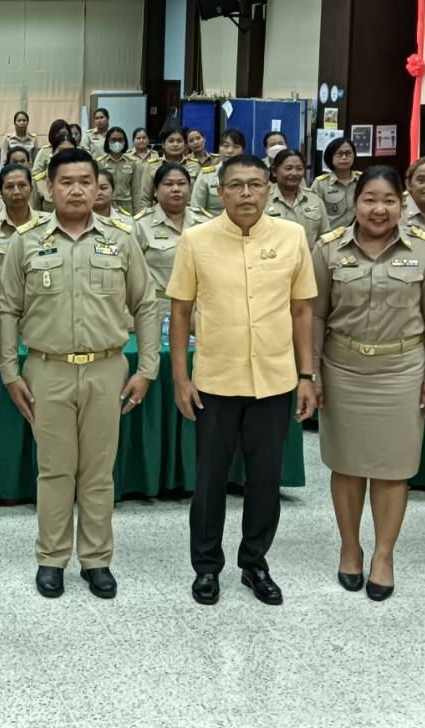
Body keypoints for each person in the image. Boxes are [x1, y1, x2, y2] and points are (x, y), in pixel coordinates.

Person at [0, 148, 160, 600]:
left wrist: (147, 368)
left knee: (98, 472)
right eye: (66, 182)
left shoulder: (121, 239)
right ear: (49, 188)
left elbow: (146, 304)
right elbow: (6, 308)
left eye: (85, 182)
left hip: (108, 370)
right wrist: (9, 370)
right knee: (54, 470)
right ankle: (51, 559)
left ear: (97, 187)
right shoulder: (26, 242)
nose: (76, 190)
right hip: (46, 370)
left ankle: (96, 560)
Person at [168, 153, 319, 607]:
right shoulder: (196, 240)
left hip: (274, 381)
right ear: (220, 192)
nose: (246, 194)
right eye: (235, 185)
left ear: (268, 189)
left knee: (265, 480)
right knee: (210, 480)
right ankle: (206, 567)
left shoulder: (292, 236)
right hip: (215, 382)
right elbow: (180, 311)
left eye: (255, 184)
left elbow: (301, 311)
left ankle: (255, 562)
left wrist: (306, 375)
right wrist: (180, 378)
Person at [310, 167, 425, 601]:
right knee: (347, 465)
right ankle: (350, 548)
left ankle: (384, 555)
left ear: (401, 203)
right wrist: (311, 374)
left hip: (402, 371)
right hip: (343, 368)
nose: (378, 209)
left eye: (389, 200)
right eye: (369, 199)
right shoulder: (329, 249)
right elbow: (314, 315)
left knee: (394, 469)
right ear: (355, 202)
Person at [134, 163, 210, 290]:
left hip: (199, 299)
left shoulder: (205, 223)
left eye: (182, 183)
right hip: (159, 300)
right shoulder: (140, 225)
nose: (176, 189)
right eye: (168, 184)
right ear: (155, 191)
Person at [0, 164, 47, 279]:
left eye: (22, 185)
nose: (16, 191)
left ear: (31, 188)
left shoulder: (47, 223)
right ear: (0, 191)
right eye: (9, 187)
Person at [266, 148, 326, 246]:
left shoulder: (314, 199)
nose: (294, 173)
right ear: (274, 171)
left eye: (299, 169)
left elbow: (324, 236)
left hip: (309, 255)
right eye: (288, 168)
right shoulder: (263, 199)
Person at [193, 129, 246, 215]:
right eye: (225, 146)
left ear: (243, 151)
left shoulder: (251, 175)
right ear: (219, 148)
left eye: (236, 147)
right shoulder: (206, 175)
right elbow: (196, 210)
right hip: (211, 222)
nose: (230, 151)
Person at [313, 137, 360, 230]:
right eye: (339, 154)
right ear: (330, 157)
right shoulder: (321, 183)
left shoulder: (363, 180)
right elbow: (314, 215)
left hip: (356, 234)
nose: (344, 157)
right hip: (331, 235)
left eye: (348, 153)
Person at [97, 127, 139, 216]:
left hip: (126, 206)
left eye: (120, 140)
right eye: (113, 140)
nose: (117, 142)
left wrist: (137, 212)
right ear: (108, 141)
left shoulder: (132, 162)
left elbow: (136, 191)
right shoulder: (100, 162)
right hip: (106, 205)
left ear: (125, 141)